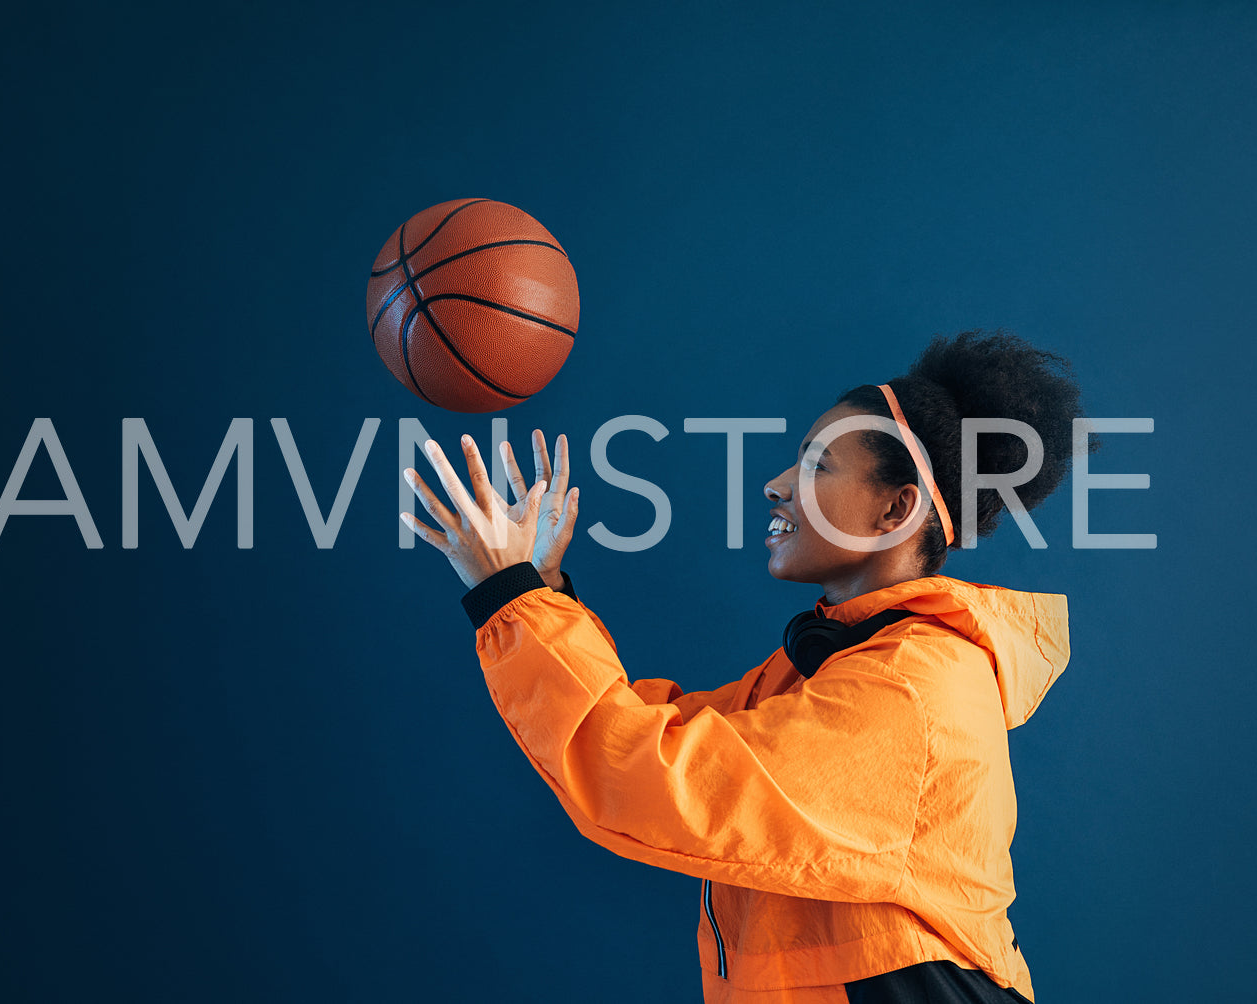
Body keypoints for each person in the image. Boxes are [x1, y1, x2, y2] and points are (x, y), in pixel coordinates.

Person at [400, 330, 1087, 1003]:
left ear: (894, 509)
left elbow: (644, 775)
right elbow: (656, 729)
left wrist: (510, 597)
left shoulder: (911, 688)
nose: (774, 485)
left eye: (817, 465)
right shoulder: (842, 665)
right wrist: (542, 590)